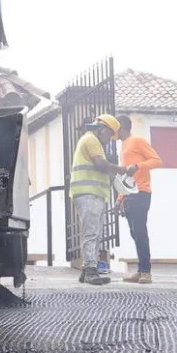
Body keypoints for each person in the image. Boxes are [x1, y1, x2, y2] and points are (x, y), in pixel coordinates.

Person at [68, 114, 131, 286]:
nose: (110, 139)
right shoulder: (91, 139)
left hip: (94, 193)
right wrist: (120, 169)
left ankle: (87, 270)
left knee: (95, 234)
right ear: (101, 128)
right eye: (110, 134)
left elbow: (102, 169)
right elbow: (100, 164)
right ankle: (90, 271)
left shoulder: (94, 142)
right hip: (88, 193)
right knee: (91, 233)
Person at [116, 115, 163, 283]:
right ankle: (141, 269)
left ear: (121, 127)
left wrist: (138, 166)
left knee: (140, 231)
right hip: (129, 194)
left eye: (115, 127)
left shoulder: (137, 141)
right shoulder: (123, 146)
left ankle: (146, 272)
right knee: (135, 232)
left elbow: (157, 161)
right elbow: (125, 176)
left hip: (141, 192)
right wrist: (120, 198)